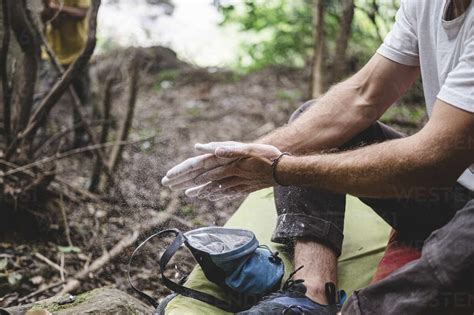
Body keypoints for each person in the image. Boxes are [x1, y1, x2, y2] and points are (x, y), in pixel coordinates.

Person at [162, 0, 474, 314]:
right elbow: (362, 95)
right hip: (450, 194)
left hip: (454, 196)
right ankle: (311, 296)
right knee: (312, 123)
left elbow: (433, 161)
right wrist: (244, 155)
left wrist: (282, 170)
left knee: (453, 259)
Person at [37, 0, 91, 148]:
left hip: (78, 53)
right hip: (52, 54)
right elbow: (47, 18)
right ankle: (37, 137)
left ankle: (82, 139)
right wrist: (50, 11)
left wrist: (56, 7)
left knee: (82, 98)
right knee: (43, 97)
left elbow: (82, 13)